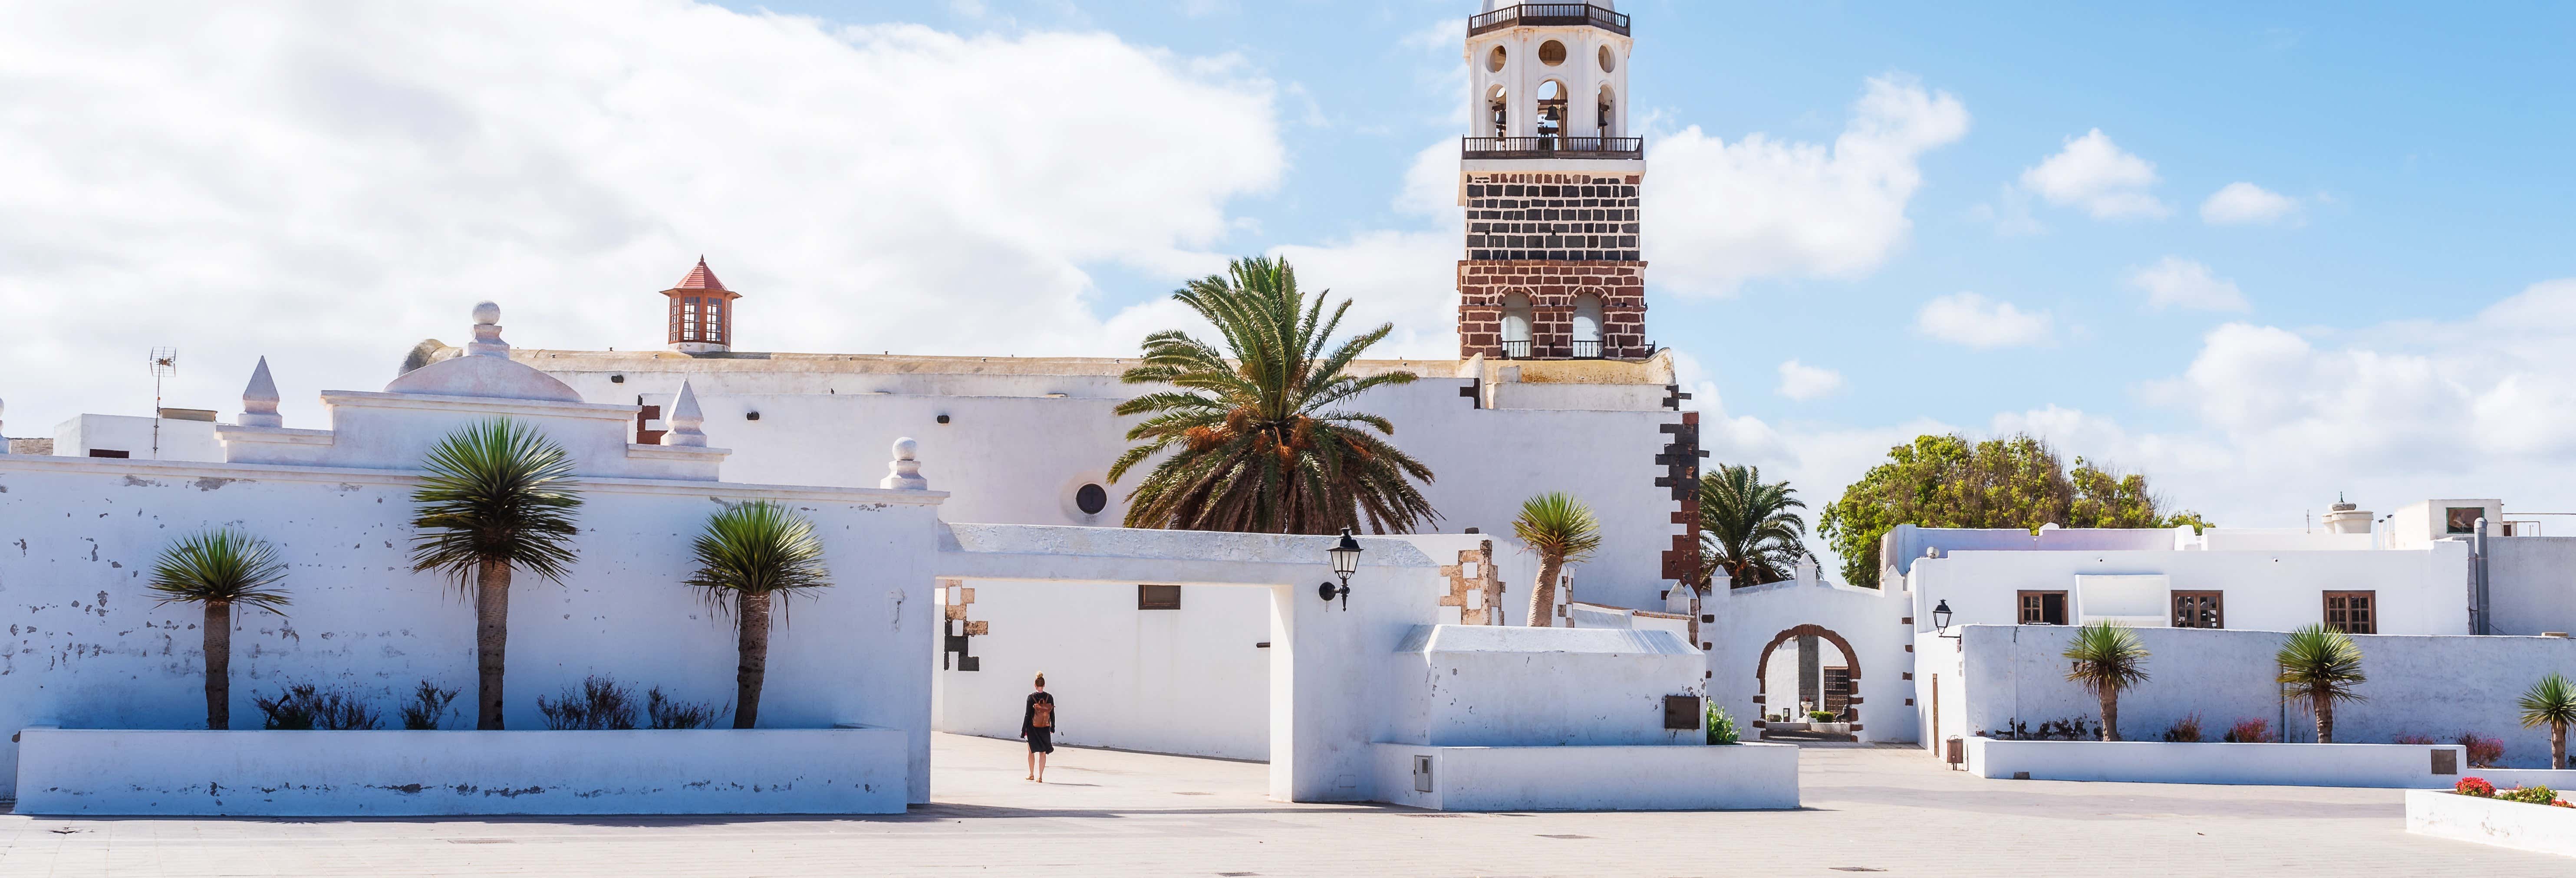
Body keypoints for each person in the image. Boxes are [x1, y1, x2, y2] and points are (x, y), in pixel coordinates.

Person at [1020, 673, 1056, 782]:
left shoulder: (1031, 698)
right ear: (1044, 685)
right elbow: (1052, 714)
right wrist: (1053, 727)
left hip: (1032, 729)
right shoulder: (1049, 698)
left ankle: (1031, 774)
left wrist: (1023, 730)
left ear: (1035, 685)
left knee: (1031, 752)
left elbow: (1027, 715)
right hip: (1045, 728)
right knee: (1043, 753)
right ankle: (1040, 777)